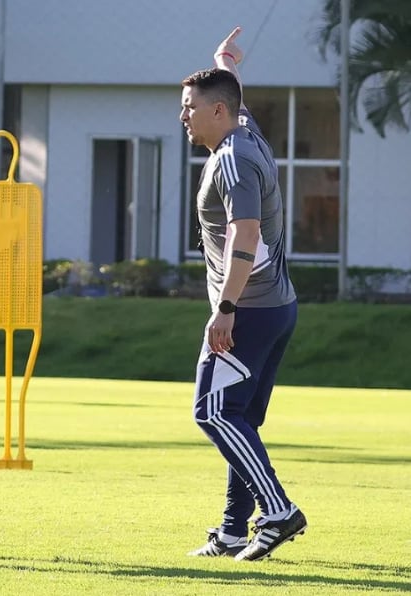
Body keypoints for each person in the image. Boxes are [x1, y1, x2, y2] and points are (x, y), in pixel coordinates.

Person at [180, 27, 306, 561]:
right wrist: (224, 62)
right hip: (275, 306)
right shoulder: (245, 132)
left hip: (248, 310)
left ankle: (277, 512)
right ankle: (234, 528)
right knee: (240, 419)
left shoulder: (232, 160)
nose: (183, 115)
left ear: (216, 112)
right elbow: (233, 94)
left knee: (213, 412)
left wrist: (225, 310)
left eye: (189, 107)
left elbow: (245, 234)